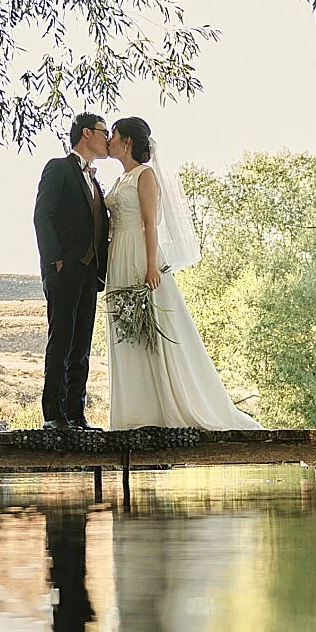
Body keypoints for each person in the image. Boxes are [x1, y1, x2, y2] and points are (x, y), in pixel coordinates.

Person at [102, 117, 262, 431]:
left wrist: (150, 265)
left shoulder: (145, 176)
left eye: (114, 135)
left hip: (138, 253)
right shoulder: (119, 180)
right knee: (127, 332)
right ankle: (133, 413)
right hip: (118, 254)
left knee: (153, 329)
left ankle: (168, 407)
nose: (109, 140)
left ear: (127, 142)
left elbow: (150, 223)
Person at [32, 113, 112, 431]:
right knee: (61, 340)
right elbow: (43, 217)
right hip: (64, 270)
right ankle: (54, 415)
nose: (108, 139)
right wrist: (56, 262)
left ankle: (76, 414)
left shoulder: (94, 180)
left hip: (90, 274)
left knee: (81, 346)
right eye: (105, 132)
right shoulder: (58, 168)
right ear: (87, 134)